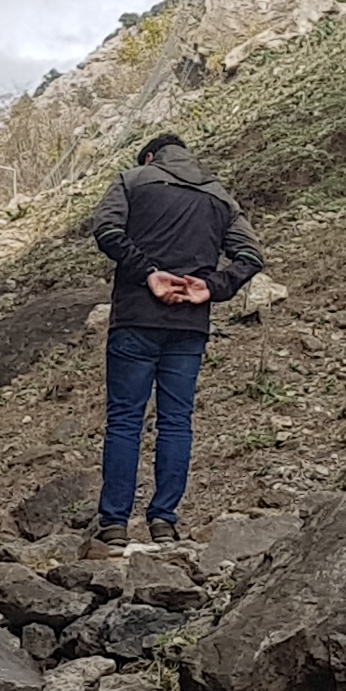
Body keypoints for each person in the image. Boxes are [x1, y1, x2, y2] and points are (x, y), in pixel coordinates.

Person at [89, 133, 265, 550]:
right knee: (176, 421)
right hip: (189, 325)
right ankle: (164, 520)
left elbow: (107, 230)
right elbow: (251, 257)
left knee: (126, 420)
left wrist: (148, 272)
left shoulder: (132, 180)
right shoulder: (220, 197)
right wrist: (211, 286)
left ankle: (114, 524)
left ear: (151, 156)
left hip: (135, 319)